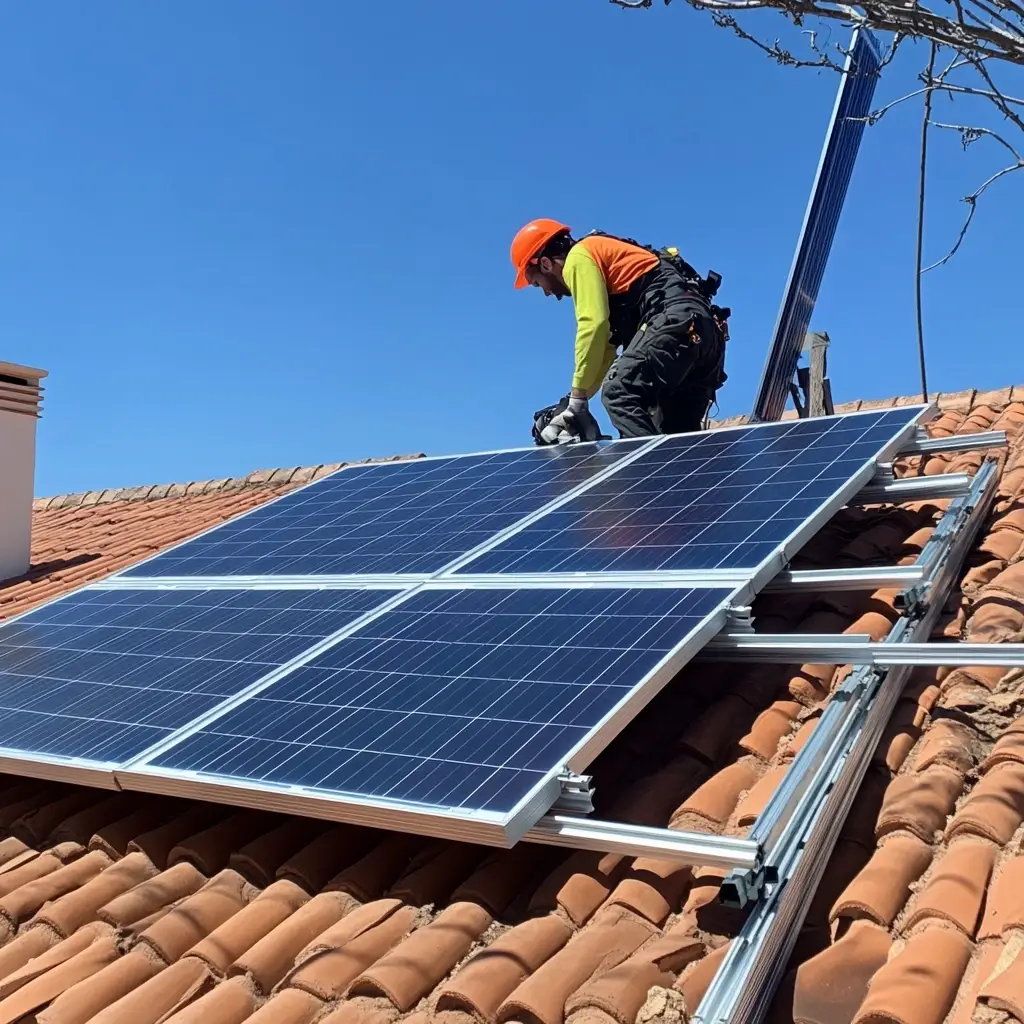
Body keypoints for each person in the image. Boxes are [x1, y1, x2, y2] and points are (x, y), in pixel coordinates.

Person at [511, 219, 730, 445]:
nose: (547, 293)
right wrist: (576, 400)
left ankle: (648, 476)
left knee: (618, 393)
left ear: (545, 264)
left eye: (538, 284)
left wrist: (577, 398)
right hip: (703, 335)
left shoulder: (578, 256)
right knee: (676, 432)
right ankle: (672, 477)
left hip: (675, 323)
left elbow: (592, 324)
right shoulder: (608, 262)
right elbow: (605, 349)